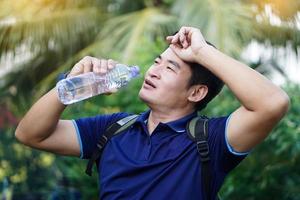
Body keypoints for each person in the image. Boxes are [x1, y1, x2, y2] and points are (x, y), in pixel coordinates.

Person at [15, 26, 290, 200]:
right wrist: (71, 84)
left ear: (196, 92)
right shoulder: (113, 129)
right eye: (157, 62)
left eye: (169, 68)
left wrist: (202, 51)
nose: (154, 71)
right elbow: (30, 134)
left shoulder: (211, 140)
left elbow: (273, 103)